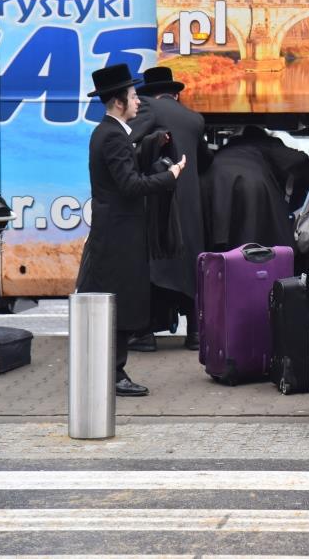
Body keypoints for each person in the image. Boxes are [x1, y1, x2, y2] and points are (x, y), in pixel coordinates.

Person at [75, 64, 186, 397]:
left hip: (118, 230)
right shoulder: (111, 135)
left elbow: (127, 166)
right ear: (119, 101)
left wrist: (153, 143)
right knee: (118, 301)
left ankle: (110, 369)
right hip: (118, 234)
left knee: (118, 299)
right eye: (134, 96)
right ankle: (114, 373)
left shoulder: (110, 132)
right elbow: (130, 185)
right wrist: (170, 176)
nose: (139, 101)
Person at [127, 66, 211, 352]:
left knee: (153, 263)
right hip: (190, 205)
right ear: (175, 94)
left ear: (150, 94)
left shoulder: (147, 107)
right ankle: (196, 333)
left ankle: (145, 334)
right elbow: (205, 160)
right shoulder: (194, 118)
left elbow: (128, 145)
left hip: (158, 199)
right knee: (190, 264)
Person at [200, 126, 309, 252]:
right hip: (250, 185)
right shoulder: (266, 143)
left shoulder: (229, 146)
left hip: (211, 182)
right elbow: (299, 160)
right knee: (252, 242)